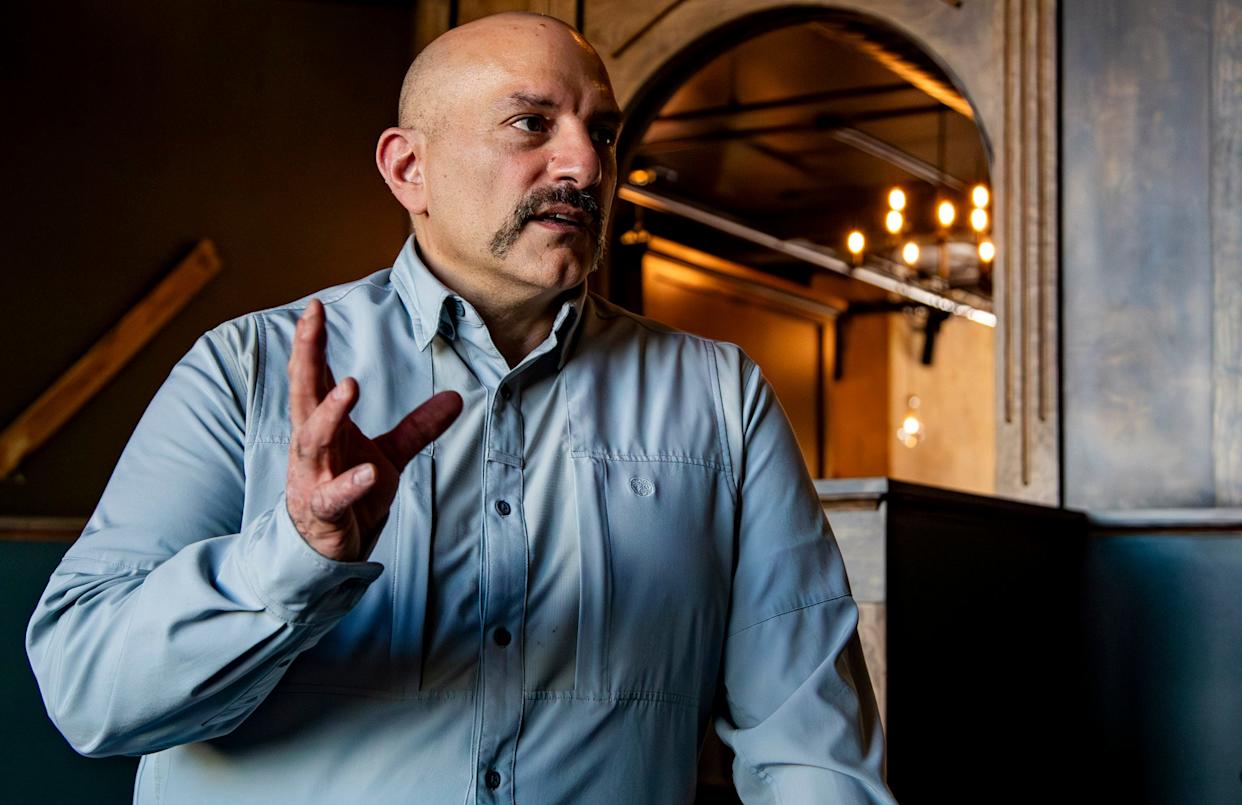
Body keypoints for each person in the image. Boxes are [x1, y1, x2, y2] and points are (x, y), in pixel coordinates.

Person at [27, 12, 894, 804]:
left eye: (600, 132)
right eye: (532, 124)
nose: (587, 165)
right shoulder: (242, 368)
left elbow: (809, 746)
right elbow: (87, 694)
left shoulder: (721, 399)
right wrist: (294, 555)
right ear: (411, 169)